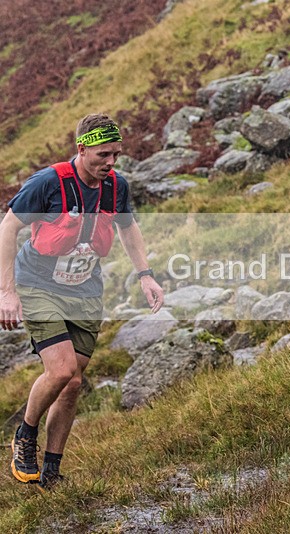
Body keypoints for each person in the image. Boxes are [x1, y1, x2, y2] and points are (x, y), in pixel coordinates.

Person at [0, 113, 164, 490]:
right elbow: (8, 227)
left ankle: (51, 472)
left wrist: (146, 274)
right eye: (103, 154)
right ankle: (25, 435)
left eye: (116, 155)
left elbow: (128, 227)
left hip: (84, 288)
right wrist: (7, 292)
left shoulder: (115, 186)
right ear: (82, 149)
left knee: (73, 383)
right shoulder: (48, 182)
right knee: (59, 370)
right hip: (38, 283)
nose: (110, 162)